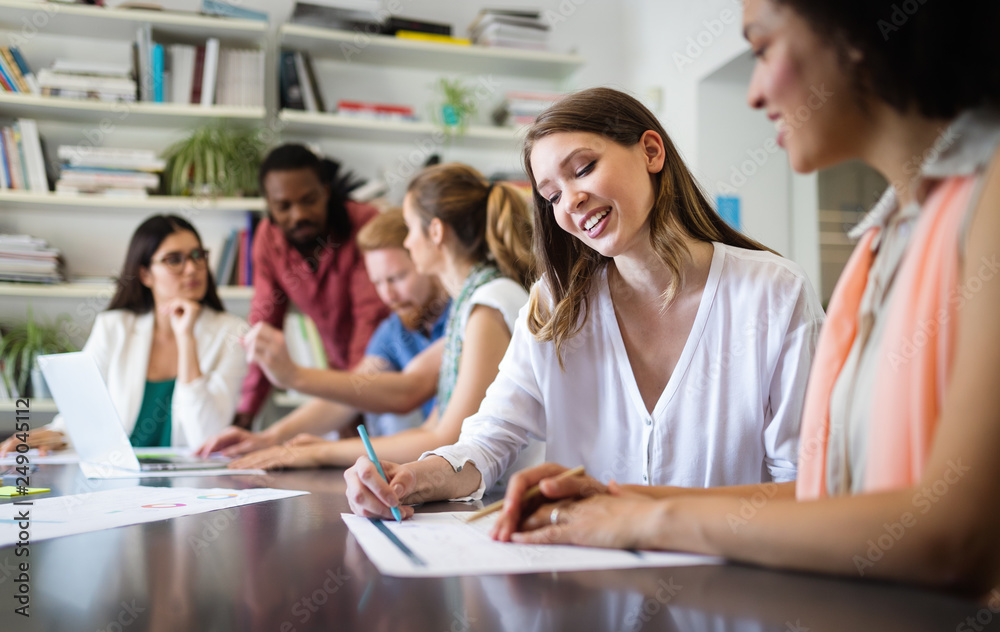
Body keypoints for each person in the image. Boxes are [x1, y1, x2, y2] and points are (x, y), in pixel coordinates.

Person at [457, 0, 1000, 595]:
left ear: (853, 31)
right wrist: (620, 499)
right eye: (551, 194)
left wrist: (644, 517)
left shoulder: (971, 207)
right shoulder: (882, 240)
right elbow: (831, 491)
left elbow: (954, 536)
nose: (753, 92)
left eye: (763, 48)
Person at [344, 87, 824, 519]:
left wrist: (648, 516)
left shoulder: (774, 292)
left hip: (733, 589)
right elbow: (489, 440)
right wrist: (414, 478)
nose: (569, 201)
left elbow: (802, 485)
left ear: (651, 151)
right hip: (593, 585)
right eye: (551, 195)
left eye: (584, 169)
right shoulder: (553, 306)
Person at [224, 162, 538, 471]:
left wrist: (319, 448)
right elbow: (430, 429)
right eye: (378, 282)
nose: (407, 241)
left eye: (410, 227)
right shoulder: (472, 303)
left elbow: (444, 433)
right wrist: (293, 442)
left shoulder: (486, 305)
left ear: (436, 232)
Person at [196, 208, 451, 458]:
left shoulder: (462, 315)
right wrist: (270, 438)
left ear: (425, 259)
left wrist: (294, 376)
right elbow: (354, 391)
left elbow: (408, 392)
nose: (387, 295)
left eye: (396, 278)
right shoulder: (393, 328)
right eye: (377, 282)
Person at [0, 215, 247, 455]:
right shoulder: (113, 327)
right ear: (145, 274)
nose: (192, 269)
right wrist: (57, 435)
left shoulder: (233, 333)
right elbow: (83, 409)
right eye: (174, 260)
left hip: (190, 483)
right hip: (118, 477)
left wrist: (187, 339)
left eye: (197, 256)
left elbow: (207, 438)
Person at [235, 144, 389, 427]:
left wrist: (350, 401)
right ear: (269, 204)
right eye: (283, 206)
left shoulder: (364, 224)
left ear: (326, 191)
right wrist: (244, 417)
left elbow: (369, 318)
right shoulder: (268, 240)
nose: (298, 215)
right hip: (339, 378)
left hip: (386, 373)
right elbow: (263, 327)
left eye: (309, 200)